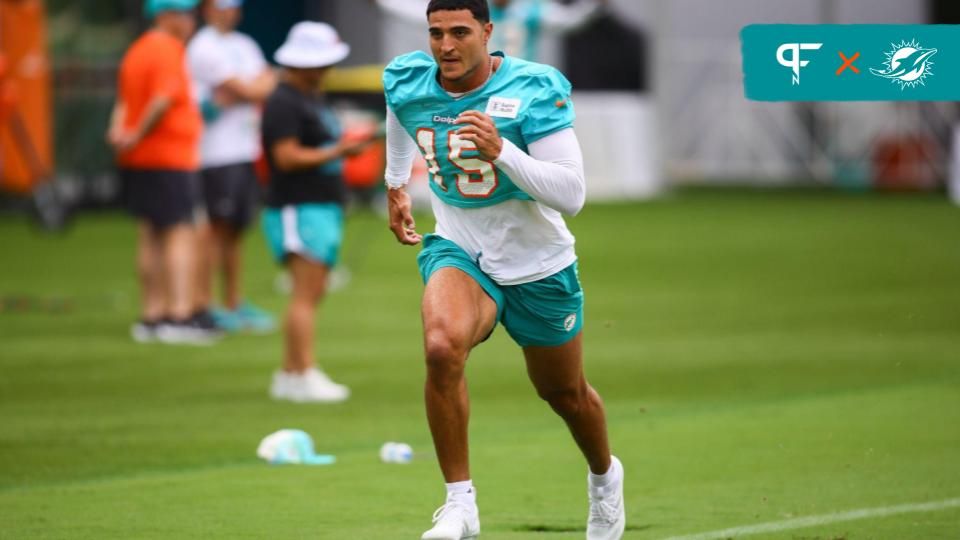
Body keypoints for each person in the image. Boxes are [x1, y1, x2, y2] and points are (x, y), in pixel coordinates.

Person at [382, 1, 624, 538]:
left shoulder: (534, 88)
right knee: (442, 347)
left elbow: (572, 194)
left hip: (538, 263)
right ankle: (459, 504)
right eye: (436, 32)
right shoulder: (408, 77)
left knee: (564, 394)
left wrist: (502, 152)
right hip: (459, 247)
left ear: (488, 32)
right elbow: (399, 114)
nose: (446, 45)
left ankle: (605, 479)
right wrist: (396, 182)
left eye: (460, 32)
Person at [260, 22, 373, 403]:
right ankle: (302, 372)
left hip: (319, 205)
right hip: (298, 205)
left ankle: (291, 373)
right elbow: (286, 157)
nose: (327, 69)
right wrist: (338, 152)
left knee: (314, 289)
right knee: (304, 292)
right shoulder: (283, 101)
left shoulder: (309, 96)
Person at [108, 0, 220, 344]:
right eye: (184, 13)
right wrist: (137, 133)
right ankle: (179, 315)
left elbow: (124, 101)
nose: (191, 20)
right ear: (164, 15)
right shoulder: (168, 49)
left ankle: (152, 316)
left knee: (151, 235)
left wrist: (121, 134)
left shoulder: (136, 50)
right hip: (170, 156)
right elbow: (161, 100)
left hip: (141, 160)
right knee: (179, 232)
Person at [187, 0, 277, 333]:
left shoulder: (244, 44)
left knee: (236, 231)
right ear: (208, 9)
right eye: (222, 5)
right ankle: (205, 302)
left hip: (244, 151)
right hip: (215, 154)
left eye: (233, 5)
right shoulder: (203, 46)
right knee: (215, 229)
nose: (229, 11)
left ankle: (233, 302)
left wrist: (248, 90)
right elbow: (250, 87)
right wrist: (250, 89)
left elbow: (263, 85)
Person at [375, 0, 602, 62]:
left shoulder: (532, 11)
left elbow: (570, 20)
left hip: (518, 80)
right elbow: (417, 12)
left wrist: (594, 6)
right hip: (477, 79)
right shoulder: (472, 9)